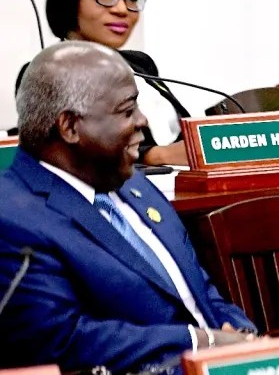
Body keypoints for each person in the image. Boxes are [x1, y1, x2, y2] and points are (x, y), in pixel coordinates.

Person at [0, 41, 255, 373]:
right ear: (70, 127)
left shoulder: (134, 183)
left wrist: (242, 333)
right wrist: (198, 342)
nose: (142, 120)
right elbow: (59, 340)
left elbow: (197, 290)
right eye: (126, 110)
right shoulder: (14, 216)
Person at [15, 0, 189, 165]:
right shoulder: (46, 73)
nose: (121, 9)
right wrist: (156, 156)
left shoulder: (140, 64)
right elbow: (73, 163)